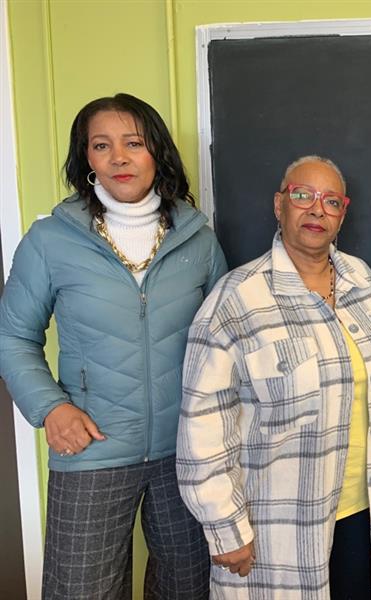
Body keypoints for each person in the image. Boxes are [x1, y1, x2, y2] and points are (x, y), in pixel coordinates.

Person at [0, 93, 227, 599]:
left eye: (133, 143)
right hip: (92, 448)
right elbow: (13, 337)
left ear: (157, 153)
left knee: (188, 587)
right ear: (87, 159)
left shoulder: (198, 239)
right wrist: (50, 408)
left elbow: (226, 341)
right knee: (83, 590)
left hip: (185, 451)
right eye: (101, 146)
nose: (118, 157)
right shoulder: (50, 241)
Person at [176, 155, 371, 599]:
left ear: (342, 214)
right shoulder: (236, 300)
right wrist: (225, 525)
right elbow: (202, 423)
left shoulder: (363, 283)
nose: (316, 210)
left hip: (369, 515)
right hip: (278, 527)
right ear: (279, 205)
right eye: (302, 196)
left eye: (330, 201)